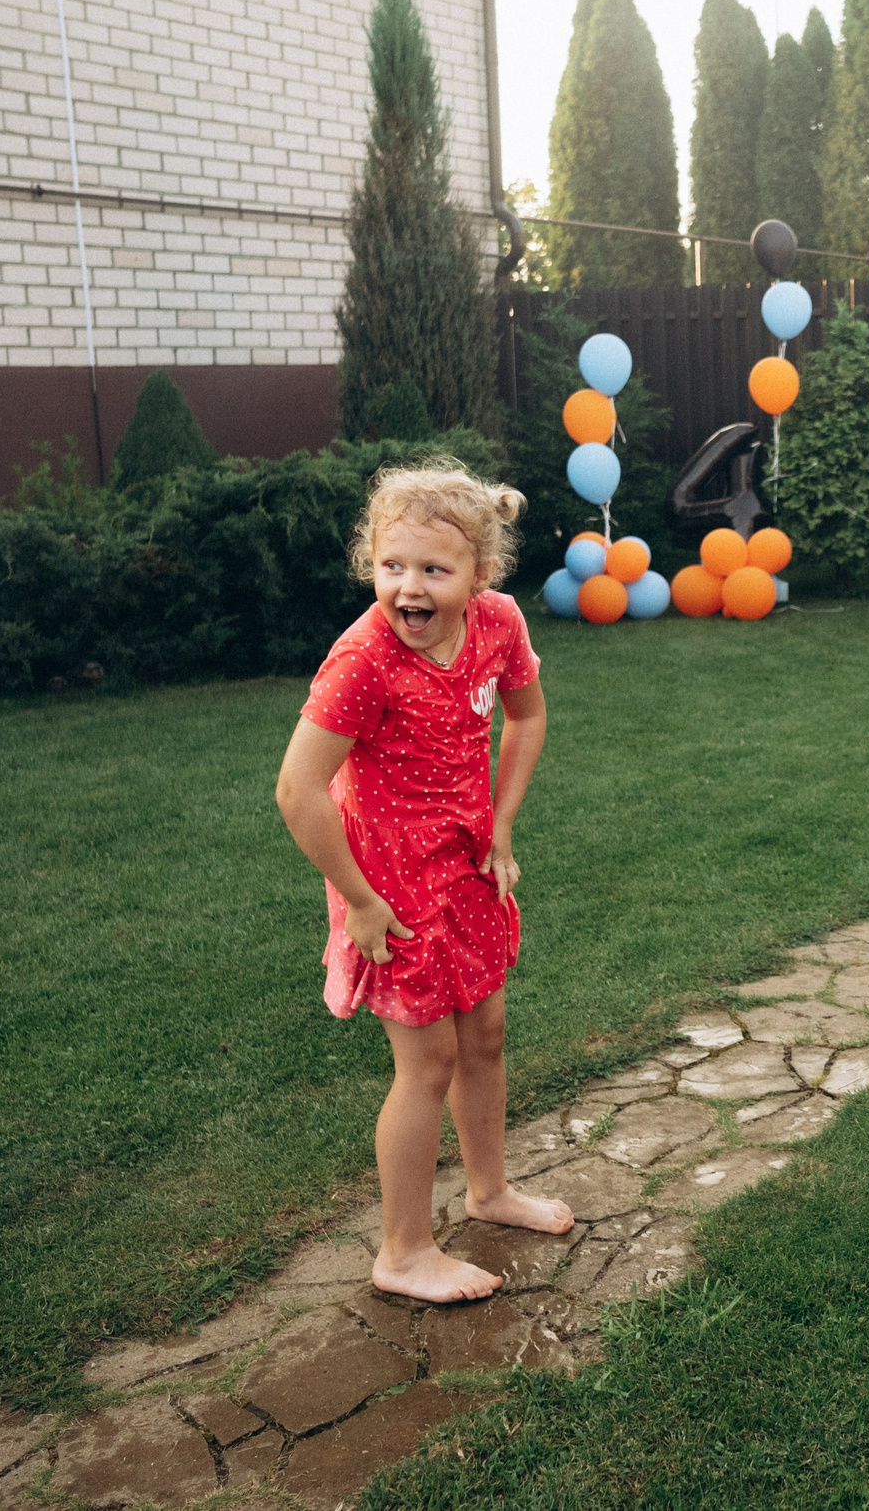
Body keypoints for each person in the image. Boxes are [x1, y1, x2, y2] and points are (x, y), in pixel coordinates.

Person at [273, 458, 573, 1305]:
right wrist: (359, 901)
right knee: (428, 1058)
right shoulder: (362, 660)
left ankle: (488, 1192)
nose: (408, 586)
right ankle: (402, 1250)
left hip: (466, 863)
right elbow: (297, 790)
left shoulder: (498, 625)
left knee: (485, 1032)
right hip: (388, 887)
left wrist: (502, 822)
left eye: (434, 570)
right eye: (391, 565)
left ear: (481, 575)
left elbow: (528, 716)